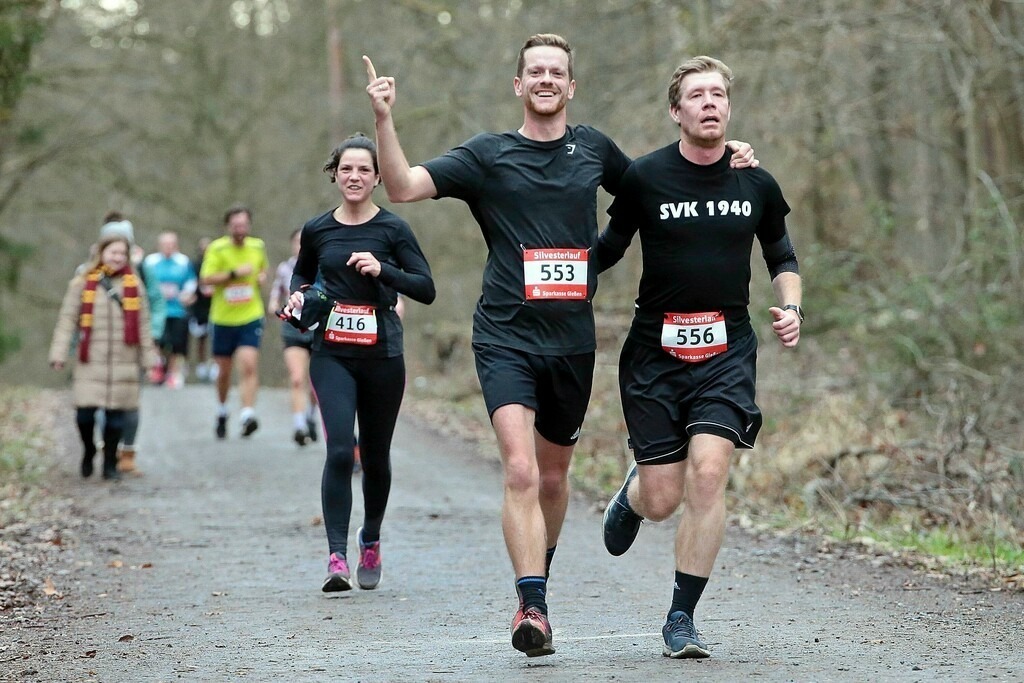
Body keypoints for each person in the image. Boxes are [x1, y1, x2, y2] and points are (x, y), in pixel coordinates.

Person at [364, 36, 754, 657]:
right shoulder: (487, 156)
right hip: (504, 335)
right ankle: (532, 603)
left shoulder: (594, 149)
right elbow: (405, 186)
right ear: (519, 85)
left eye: (557, 73)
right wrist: (385, 119)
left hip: (571, 341)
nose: (546, 79)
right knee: (519, 470)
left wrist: (725, 157)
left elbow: (658, 188)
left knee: (551, 477)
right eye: (535, 72)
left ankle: (550, 570)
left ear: (571, 87)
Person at [596, 56, 802, 659]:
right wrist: (548, 282)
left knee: (709, 473)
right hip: (654, 352)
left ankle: (681, 617)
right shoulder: (645, 177)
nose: (709, 102)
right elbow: (607, 249)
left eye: (718, 94)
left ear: (728, 108)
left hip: (727, 348)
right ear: (676, 110)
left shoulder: (756, 182)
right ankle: (633, 496)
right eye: (697, 95)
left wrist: (791, 307)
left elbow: (782, 258)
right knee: (664, 498)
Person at [283, 133, 435, 592]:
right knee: (337, 451)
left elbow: (425, 287)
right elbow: (303, 272)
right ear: (335, 174)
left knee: (375, 456)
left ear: (377, 178)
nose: (354, 177)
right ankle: (335, 556)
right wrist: (297, 294)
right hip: (331, 354)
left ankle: (370, 536)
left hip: (383, 357)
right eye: (346, 169)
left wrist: (382, 269)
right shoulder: (317, 229)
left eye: (364, 170)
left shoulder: (394, 230)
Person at [49, 233, 158, 480]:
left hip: (125, 359)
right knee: (84, 415)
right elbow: (67, 320)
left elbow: (143, 324)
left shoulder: (135, 285)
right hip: (91, 359)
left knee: (116, 419)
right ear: (101, 253)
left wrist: (149, 360)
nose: (118, 258)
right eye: (113, 252)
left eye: (122, 253)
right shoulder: (82, 283)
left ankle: (110, 463)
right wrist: (59, 353)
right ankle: (89, 449)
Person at [199, 206, 269, 439]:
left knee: (249, 364)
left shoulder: (257, 246)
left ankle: (247, 414)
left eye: (244, 225)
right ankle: (222, 410)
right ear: (228, 226)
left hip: (250, 315)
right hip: (222, 318)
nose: (240, 229)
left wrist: (261, 277)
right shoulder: (217, 248)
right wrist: (233, 274)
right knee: (224, 371)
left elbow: (262, 270)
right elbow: (206, 278)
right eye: (236, 225)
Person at [266, 227, 319, 446]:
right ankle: (299, 426)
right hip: (293, 327)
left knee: (316, 383)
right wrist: (273, 305)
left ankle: (311, 415)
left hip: (318, 327)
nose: (300, 246)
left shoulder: (321, 266)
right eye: (297, 241)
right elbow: (277, 291)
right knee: (297, 378)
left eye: (304, 241)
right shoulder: (285, 268)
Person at [144, 231, 198, 389]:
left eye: (171, 244)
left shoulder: (183, 262)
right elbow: (144, 281)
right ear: (159, 245)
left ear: (176, 246)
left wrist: (187, 295)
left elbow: (191, 282)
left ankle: (173, 373)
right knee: (157, 341)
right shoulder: (151, 262)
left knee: (176, 344)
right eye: (165, 244)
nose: (168, 247)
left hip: (178, 310)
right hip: (157, 310)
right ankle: (157, 369)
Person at [189, 237, 216, 382]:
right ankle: (201, 365)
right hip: (199, 307)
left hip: (216, 306)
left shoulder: (218, 264)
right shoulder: (195, 265)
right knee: (201, 336)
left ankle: (214, 364)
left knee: (215, 336)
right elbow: (191, 282)